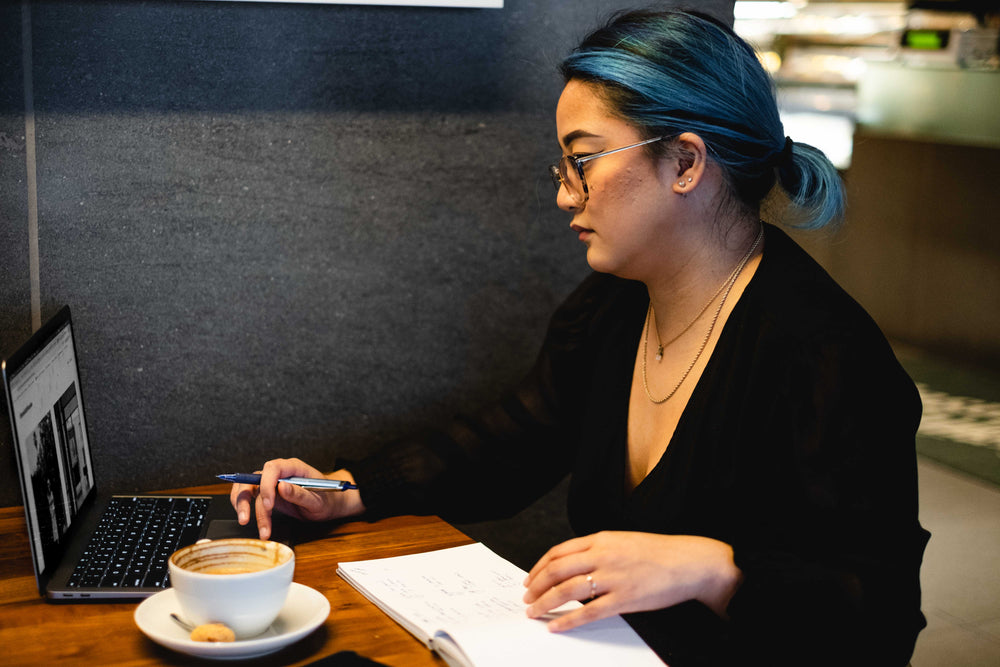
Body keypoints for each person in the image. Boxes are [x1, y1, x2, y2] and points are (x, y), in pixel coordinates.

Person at [231, 10, 928, 666]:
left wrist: (715, 570)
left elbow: (878, 622)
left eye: (584, 160)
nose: (566, 194)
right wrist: (349, 489)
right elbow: (512, 442)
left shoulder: (827, 356)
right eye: (562, 167)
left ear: (686, 163)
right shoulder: (612, 307)